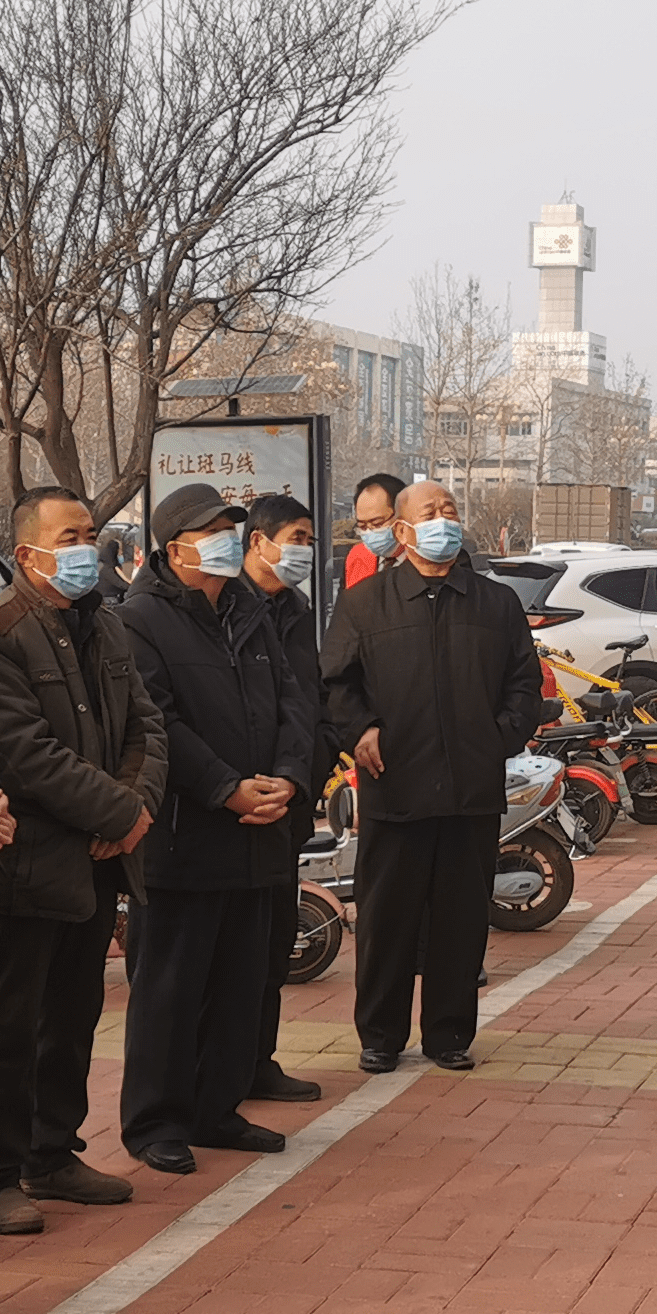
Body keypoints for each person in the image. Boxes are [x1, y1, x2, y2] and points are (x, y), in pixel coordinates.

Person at [0, 486, 162, 1232]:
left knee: (73, 1015)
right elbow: (25, 757)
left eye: (90, 533)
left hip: (98, 860)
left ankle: (52, 1152)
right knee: (9, 1024)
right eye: (69, 536)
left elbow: (145, 723)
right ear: (27, 553)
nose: (85, 548)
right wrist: (117, 812)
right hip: (27, 863)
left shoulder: (101, 623)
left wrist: (134, 811)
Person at [319, 475, 541, 1073]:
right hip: (394, 787)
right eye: (429, 510)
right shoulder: (367, 603)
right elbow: (337, 682)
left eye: (449, 508)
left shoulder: (495, 603)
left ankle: (449, 1035)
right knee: (387, 917)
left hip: (471, 792)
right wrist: (360, 729)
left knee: (460, 920)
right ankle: (380, 1036)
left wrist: (497, 739)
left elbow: (525, 685)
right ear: (402, 529)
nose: (443, 519)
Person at [117, 485, 308, 1170]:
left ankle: (216, 1108)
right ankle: (156, 1121)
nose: (229, 540)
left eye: (233, 528)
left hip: (259, 831)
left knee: (239, 982)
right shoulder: (140, 619)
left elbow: (292, 699)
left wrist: (288, 772)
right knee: (170, 990)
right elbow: (157, 721)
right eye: (215, 532)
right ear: (175, 549)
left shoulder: (251, 611)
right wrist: (224, 789)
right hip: (184, 835)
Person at [241, 491, 328, 1101]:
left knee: (272, 946)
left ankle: (256, 1061)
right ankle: (214, 1070)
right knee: (224, 956)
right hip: (231, 807)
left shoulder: (295, 610)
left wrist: (300, 780)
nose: (305, 550)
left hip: (285, 804)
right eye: (296, 537)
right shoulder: (223, 609)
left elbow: (308, 706)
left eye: (308, 540)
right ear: (258, 540)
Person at [343, 471, 405, 593]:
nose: (370, 532)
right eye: (362, 526)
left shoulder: (424, 561)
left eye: (377, 524)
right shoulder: (357, 557)